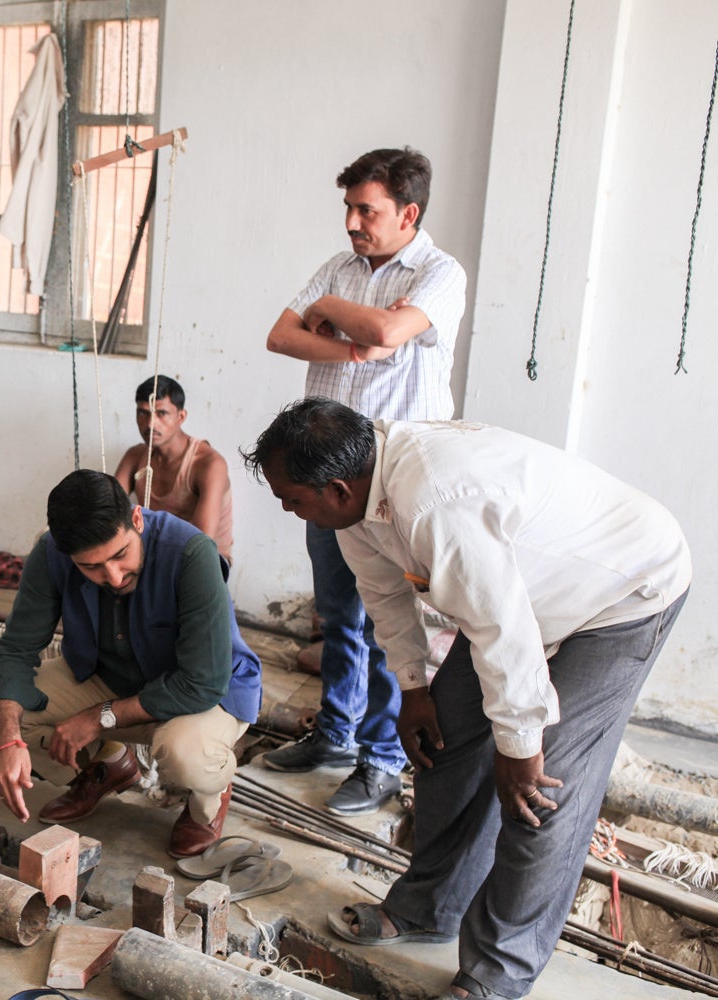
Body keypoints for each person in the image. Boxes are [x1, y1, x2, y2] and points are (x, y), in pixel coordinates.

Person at [243, 398, 690, 1000]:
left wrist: (520, 742)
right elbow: (385, 598)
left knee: (543, 787)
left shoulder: (432, 502)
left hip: (623, 589)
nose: (286, 507)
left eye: (291, 497)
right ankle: (430, 907)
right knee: (444, 734)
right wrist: (414, 688)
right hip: (525, 596)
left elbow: (503, 630)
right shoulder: (352, 512)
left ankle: (496, 975)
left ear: (340, 488)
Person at [260, 147, 467, 817]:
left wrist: (338, 317)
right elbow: (281, 336)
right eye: (348, 207)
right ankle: (336, 738)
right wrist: (350, 333)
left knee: (390, 620)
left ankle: (381, 758)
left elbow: (389, 328)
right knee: (339, 618)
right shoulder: (336, 270)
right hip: (327, 475)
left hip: (393, 481)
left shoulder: (441, 272)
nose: (352, 221)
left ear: (408, 213)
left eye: (366, 210)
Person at [0, 469, 263, 859]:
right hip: (117, 680)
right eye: (91, 568)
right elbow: (16, 651)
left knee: (186, 754)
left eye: (121, 554)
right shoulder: (51, 552)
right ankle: (112, 764)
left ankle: (208, 801)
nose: (114, 576)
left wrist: (96, 717)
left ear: (136, 519)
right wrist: (7, 740)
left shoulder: (191, 553)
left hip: (208, 693)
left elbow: (202, 683)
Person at [114, 375, 234, 560]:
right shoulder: (135, 456)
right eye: (143, 413)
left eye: (161, 413)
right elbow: (108, 511)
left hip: (203, 560)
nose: (150, 423)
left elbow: (200, 542)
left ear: (181, 416)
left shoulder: (208, 464)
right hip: (151, 554)